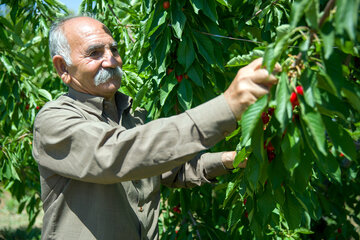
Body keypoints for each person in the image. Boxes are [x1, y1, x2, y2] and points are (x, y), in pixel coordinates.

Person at [32, 16, 280, 240]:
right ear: (63, 68)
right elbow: (115, 154)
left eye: (113, 49)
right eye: (94, 52)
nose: (111, 60)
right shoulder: (54, 121)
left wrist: (229, 160)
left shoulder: (134, 114)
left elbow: (170, 170)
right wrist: (227, 106)